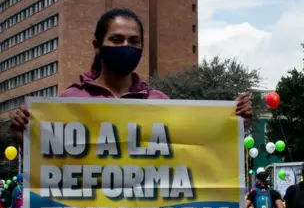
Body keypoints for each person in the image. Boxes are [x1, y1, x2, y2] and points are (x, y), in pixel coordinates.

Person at [10, 8, 252, 142]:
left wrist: (232, 122)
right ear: (97, 45)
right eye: (116, 39)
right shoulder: (69, 100)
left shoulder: (160, 102)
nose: (126, 45)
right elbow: (52, 160)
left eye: (133, 41)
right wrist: (26, 138)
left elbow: (192, 148)